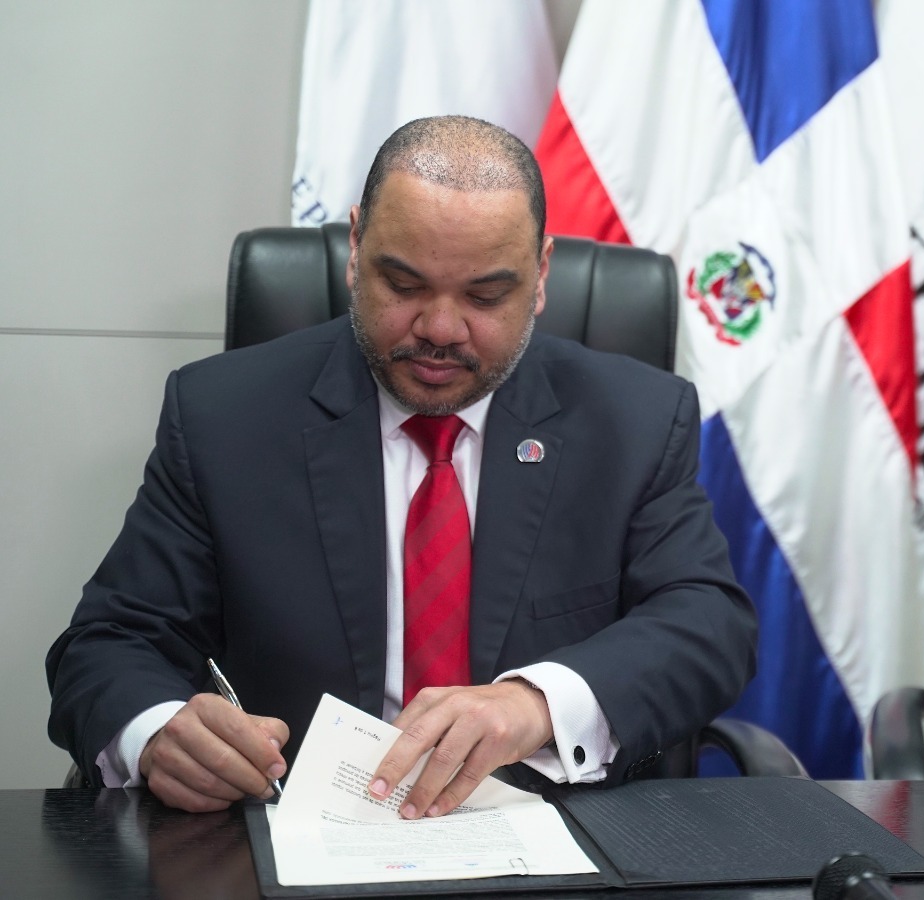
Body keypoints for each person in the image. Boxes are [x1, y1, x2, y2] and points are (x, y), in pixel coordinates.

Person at [47, 116, 757, 816]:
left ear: (540, 275)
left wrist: (535, 702)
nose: (441, 330)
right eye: (405, 285)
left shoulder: (633, 420)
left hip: (551, 840)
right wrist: (156, 731)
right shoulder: (223, 416)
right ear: (356, 248)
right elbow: (111, 641)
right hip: (293, 835)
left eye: (485, 296)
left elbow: (706, 622)